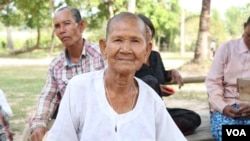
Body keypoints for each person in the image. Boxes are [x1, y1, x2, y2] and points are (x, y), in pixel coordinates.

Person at [47, 12, 187, 141]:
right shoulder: (79, 89)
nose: (126, 49)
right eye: (118, 40)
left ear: (147, 51)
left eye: (135, 41)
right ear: (104, 48)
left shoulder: (152, 100)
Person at [22, 6, 105, 141]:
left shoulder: (101, 55)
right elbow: (48, 97)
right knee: (30, 130)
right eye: (57, 26)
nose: (62, 30)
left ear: (81, 25)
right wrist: (39, 124)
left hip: (100, 120)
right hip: (70, 123)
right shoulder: (57, 65)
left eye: (67, 24)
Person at [135, 14, 201, 136]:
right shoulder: (131, 55)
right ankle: (159, 130)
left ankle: (157, 129)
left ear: (152, 34)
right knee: (150, 81)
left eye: (147, 30)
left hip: (159, 110)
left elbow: (161, 75)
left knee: (194, 118)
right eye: (141, 30)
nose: (145, 33)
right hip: (137, 112)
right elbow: (129, 83)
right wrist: (153, 88)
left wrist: (171, 73)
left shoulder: (155, 56)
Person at [205, 16, 250, 141]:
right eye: (249, 35)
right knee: (228, 134)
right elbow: (213, 82)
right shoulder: (226, 48)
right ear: (244, 27)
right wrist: (222, 106)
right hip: (226, 107)